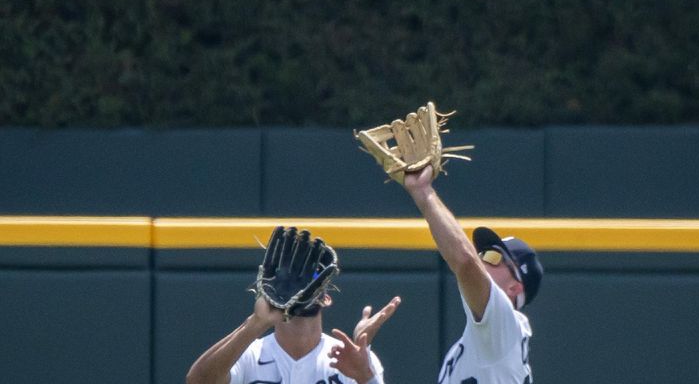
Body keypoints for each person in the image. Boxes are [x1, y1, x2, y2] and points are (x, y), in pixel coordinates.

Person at [331, 165, 543, 383]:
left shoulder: (505, 329)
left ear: (514, 288)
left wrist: (423, 192)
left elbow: (466, 262)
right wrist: (365, 375)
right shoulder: (472, 348)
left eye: (493, 258)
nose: (482, 260)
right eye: (483, 254)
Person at [185, 226, 401, 384]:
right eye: (290, 276)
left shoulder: (349, 359)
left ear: (326, 298)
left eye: (312, 277)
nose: (301, 285)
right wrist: (256, 323)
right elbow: (198, 382)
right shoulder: (251, 355)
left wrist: (366, 376)